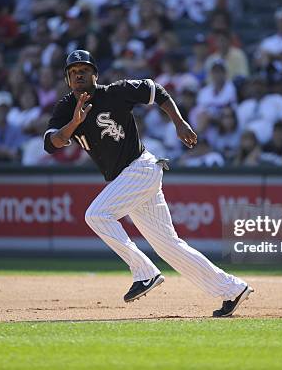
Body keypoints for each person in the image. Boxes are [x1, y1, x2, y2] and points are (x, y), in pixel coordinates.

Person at [44, 50, 252, 317]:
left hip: (141, 168)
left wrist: (179, 122)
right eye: (73, 72)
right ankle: (232, 289)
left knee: (96, 214)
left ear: (95, 74)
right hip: (128, 179)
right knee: (169, 246)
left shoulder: (115, 92)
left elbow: (157, 91)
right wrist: (74, 123)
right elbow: (52, 144)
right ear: (67, 80)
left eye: (84, 69)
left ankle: (145, 272)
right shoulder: (65, 108)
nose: (79, 75)